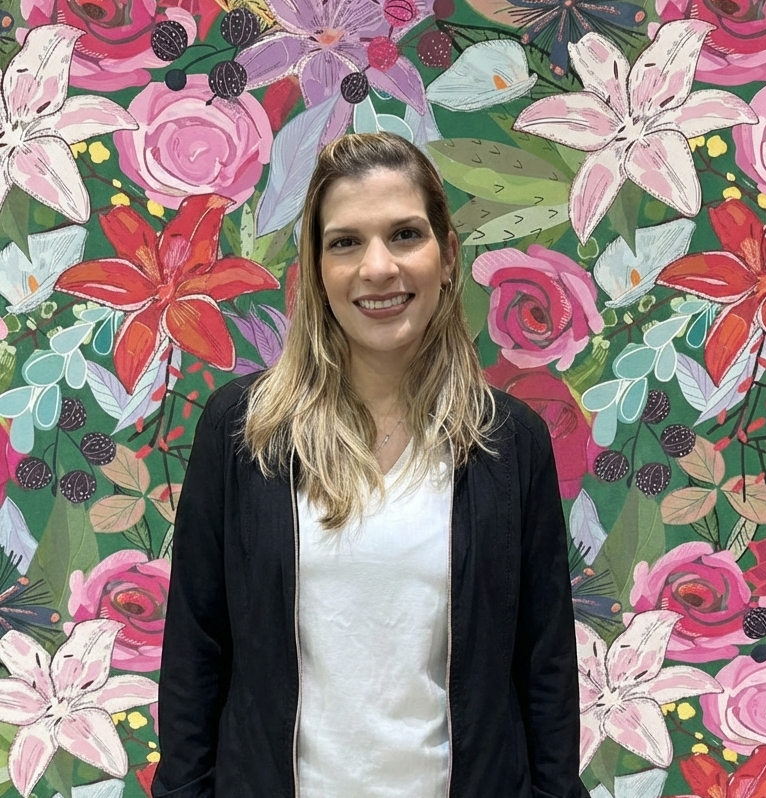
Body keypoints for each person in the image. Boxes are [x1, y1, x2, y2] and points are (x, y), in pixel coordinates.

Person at [151, 132, 587, 798]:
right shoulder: (244, 432)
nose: (378, 268)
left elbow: (544, 667)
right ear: (318, 269)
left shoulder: (510, 444)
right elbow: (195, 654)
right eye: (346, 242)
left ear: (447, 256)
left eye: (405, 235)